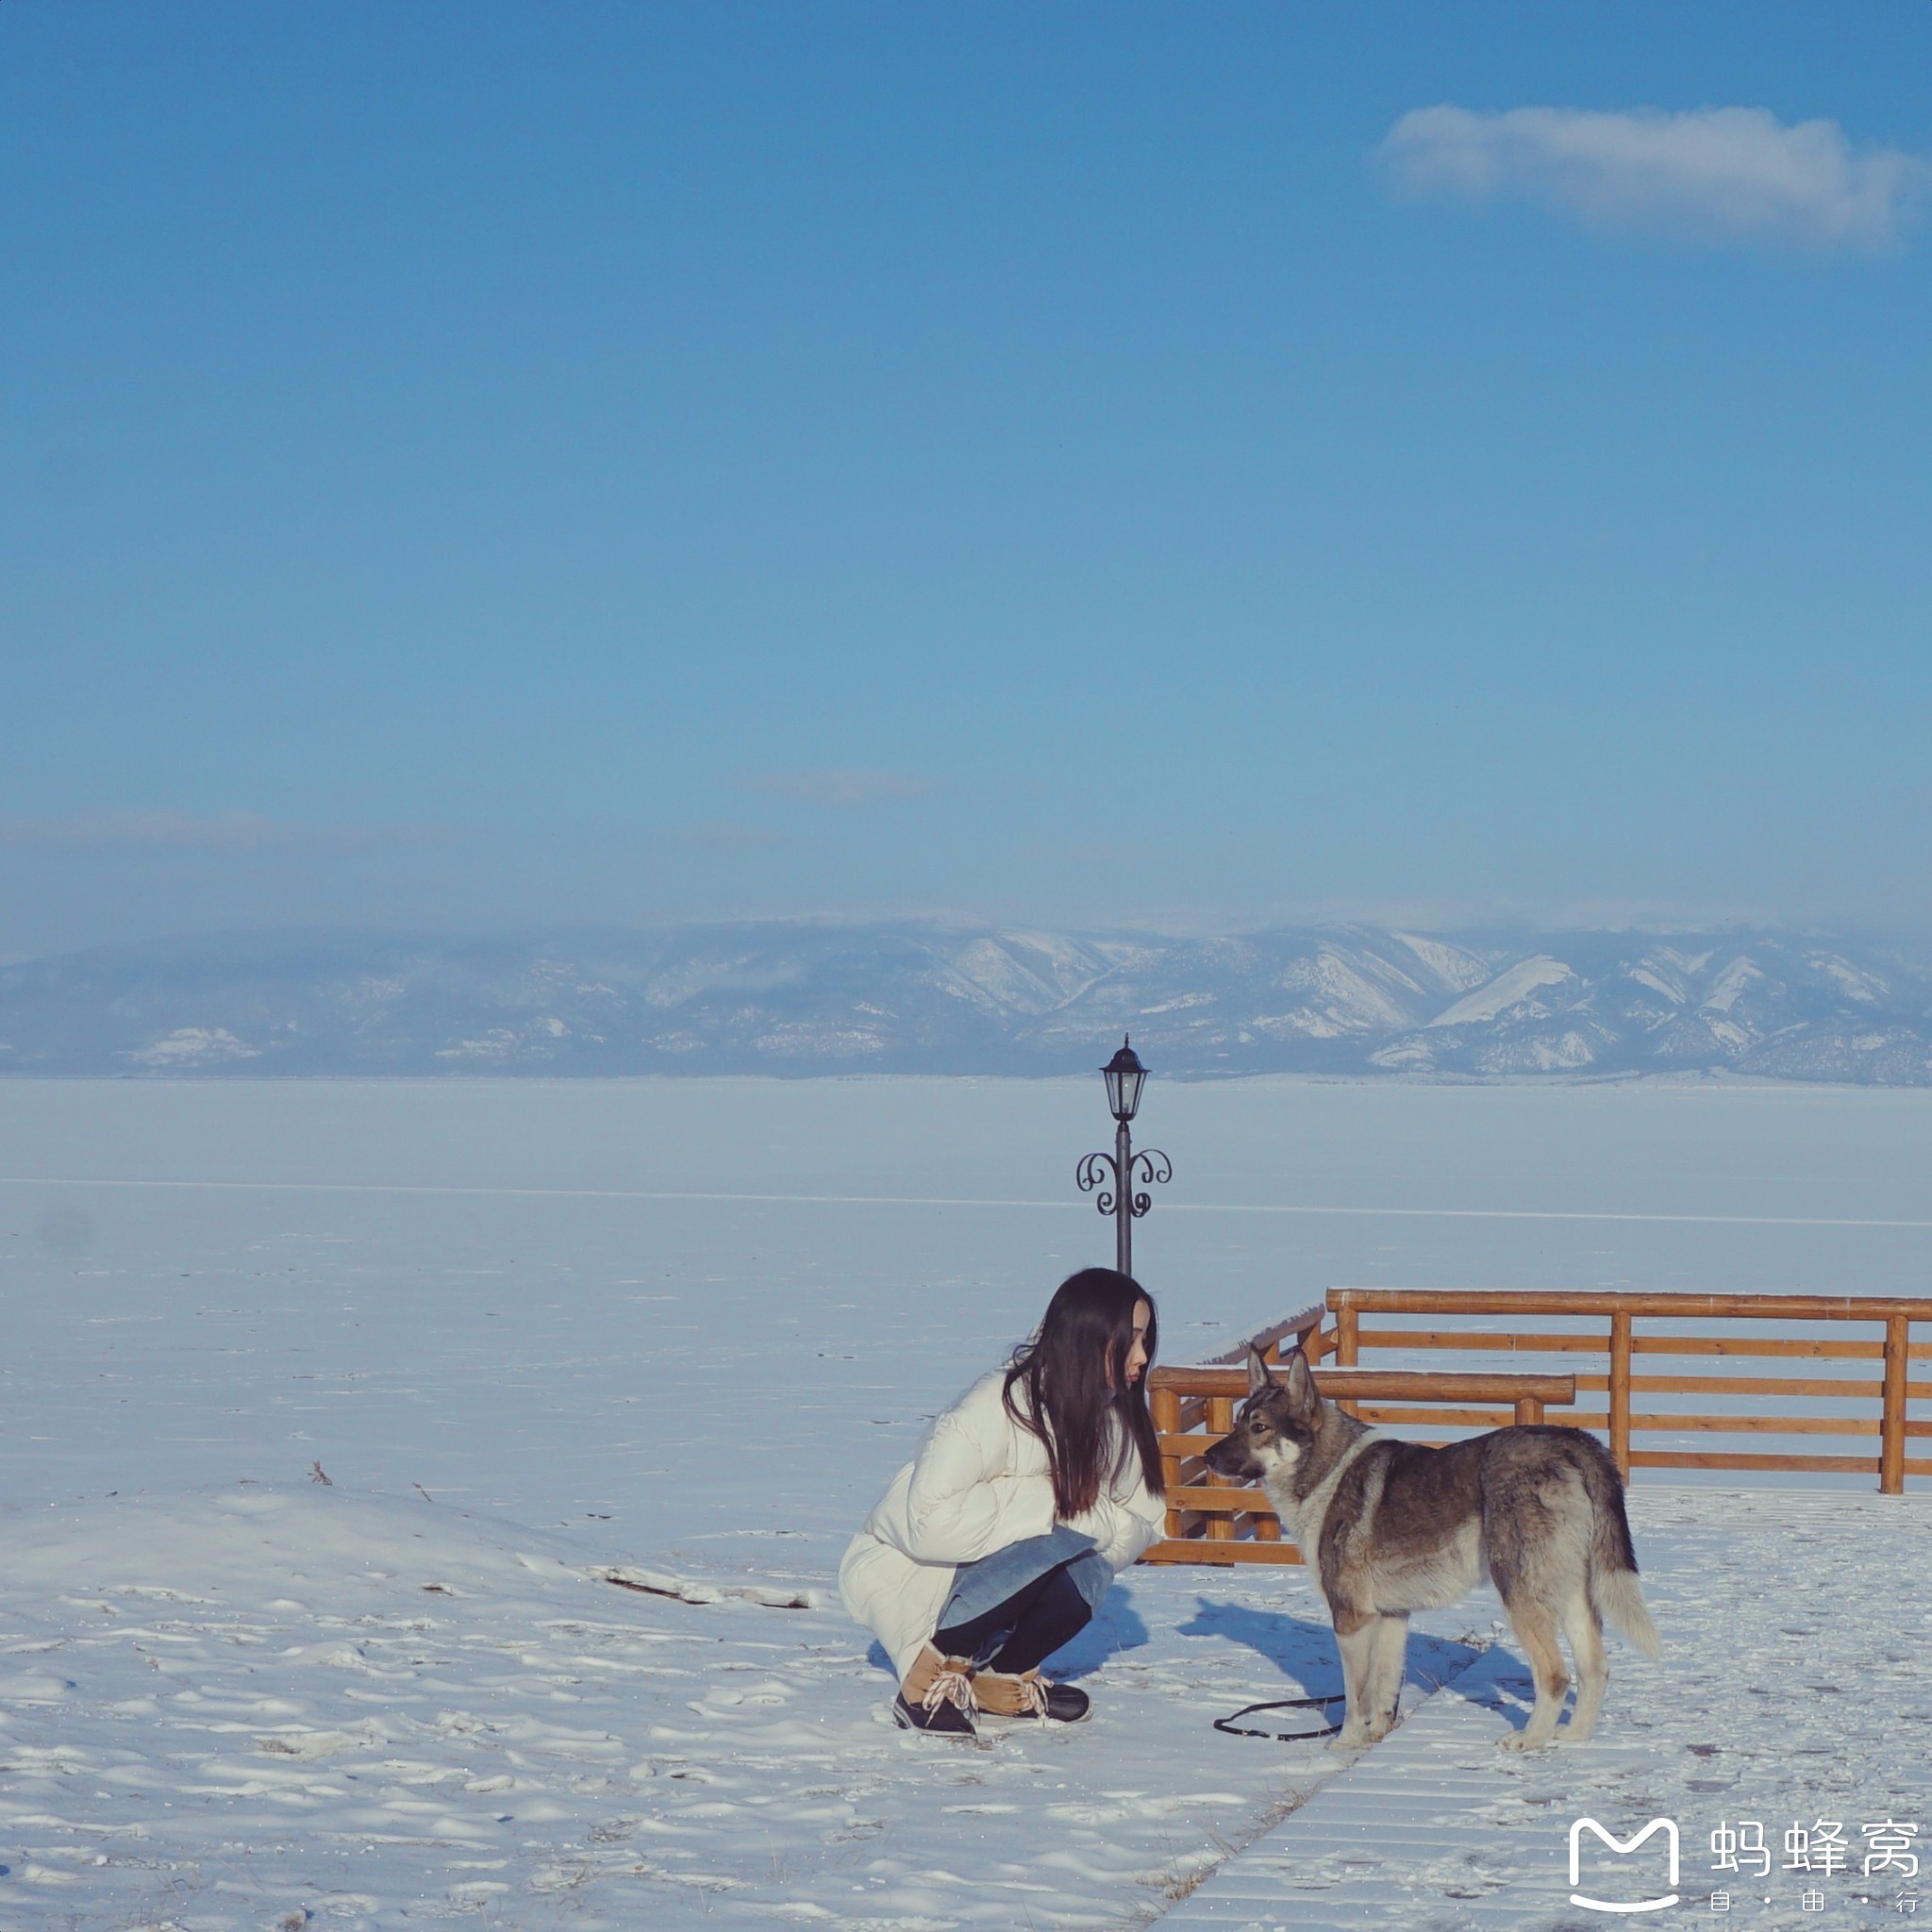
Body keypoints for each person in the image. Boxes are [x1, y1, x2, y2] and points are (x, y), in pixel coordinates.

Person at [839, 1267, 1167, 1735]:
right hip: (919, 1570)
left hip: (992, 1569)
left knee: (1088, 1568)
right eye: (1131, 1339)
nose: (1142, 1356)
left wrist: (1082, 1518)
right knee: (1054, 1538)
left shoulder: (1116, 1418)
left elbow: (1142, 1519)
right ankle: (925, 1681)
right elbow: (928, 1524)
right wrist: (1056, 1502)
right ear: (1087, 1337)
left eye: (1147, 1340)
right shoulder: (995, 1404)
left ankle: (1000, 1676)